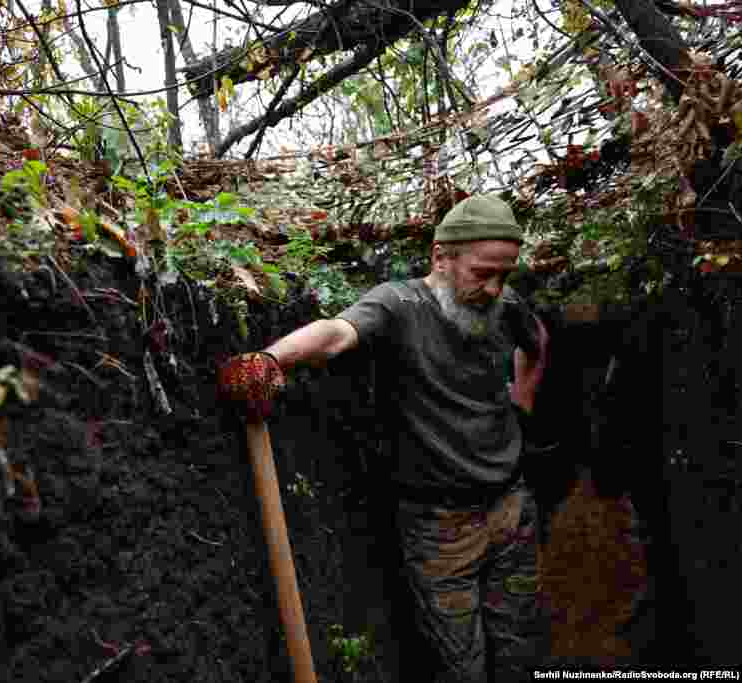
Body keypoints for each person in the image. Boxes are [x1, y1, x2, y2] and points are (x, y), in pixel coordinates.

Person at [218, 194, 551, 682]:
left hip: (512, 511)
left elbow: (537, 340)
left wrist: (523, 398)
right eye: (482, 272)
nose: (495, 287)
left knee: (521, 651)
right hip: (441, 528)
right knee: (463, 667)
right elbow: (335, 334)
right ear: (441, 256)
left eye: (506, 274)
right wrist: (269, 361)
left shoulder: (506, 304)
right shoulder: (400, 304)